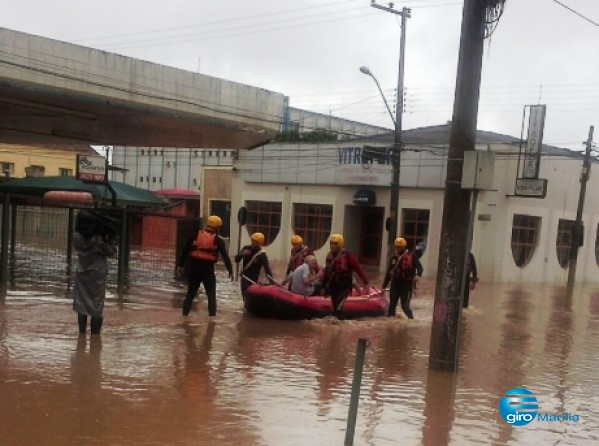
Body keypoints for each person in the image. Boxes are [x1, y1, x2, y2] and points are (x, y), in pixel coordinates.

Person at [177, 215, 234, 317]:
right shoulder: (218, 240)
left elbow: (185, 250)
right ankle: (211, 322)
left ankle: (184, 316)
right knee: (211, 296)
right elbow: (225, 257)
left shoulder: (195, 235)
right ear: (217, 227)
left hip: (194, 270)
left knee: (190, 295)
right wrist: (230, 271)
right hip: (208, 271)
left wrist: (180, 266)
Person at [73, 209, 118, 335]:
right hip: (97, 275)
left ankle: (81, 334)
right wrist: (112, 239)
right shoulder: (98, 240)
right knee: (97, 306)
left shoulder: (76, 237)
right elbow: (112, 252)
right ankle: (95, 337)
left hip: (82, 272)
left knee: (81, 304)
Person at [320, 233, 369, 317]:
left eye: (334, 244)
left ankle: (340, 323)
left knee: (339, 307)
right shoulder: (329, 256)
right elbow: (326, 273)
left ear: (339, 245)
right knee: (335, 306)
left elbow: (358, 269)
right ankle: (337, 323)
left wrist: (366, 282)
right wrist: (323, 287)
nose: (332, 246)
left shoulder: (348, 256)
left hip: (345, 285)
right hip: (334, 285)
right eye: (331, 243)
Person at [382, 237, 423, 319]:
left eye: (399, 247)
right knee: (392, 306)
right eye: (396, 247)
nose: (397, 249)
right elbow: (389, 273)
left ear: (404, 247)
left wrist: (418, 275)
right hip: (395, 284)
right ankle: (390, 325)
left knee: (405, 306)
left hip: (407, 286)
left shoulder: (412, 256)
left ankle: (412, 321)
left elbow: (420, 267)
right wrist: (384, 286)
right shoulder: (394, 258)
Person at [234, 232, 274, 300]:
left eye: (255, 241)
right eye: (252, 240)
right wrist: (242, 254)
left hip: (253, 280)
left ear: (259, 243)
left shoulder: (262, 255)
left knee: (251, 297)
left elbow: (267, 270)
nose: (253, 243)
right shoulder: (246, 248)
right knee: (244, 297)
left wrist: (272, 283)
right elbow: (236, 260)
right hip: (244, 278)